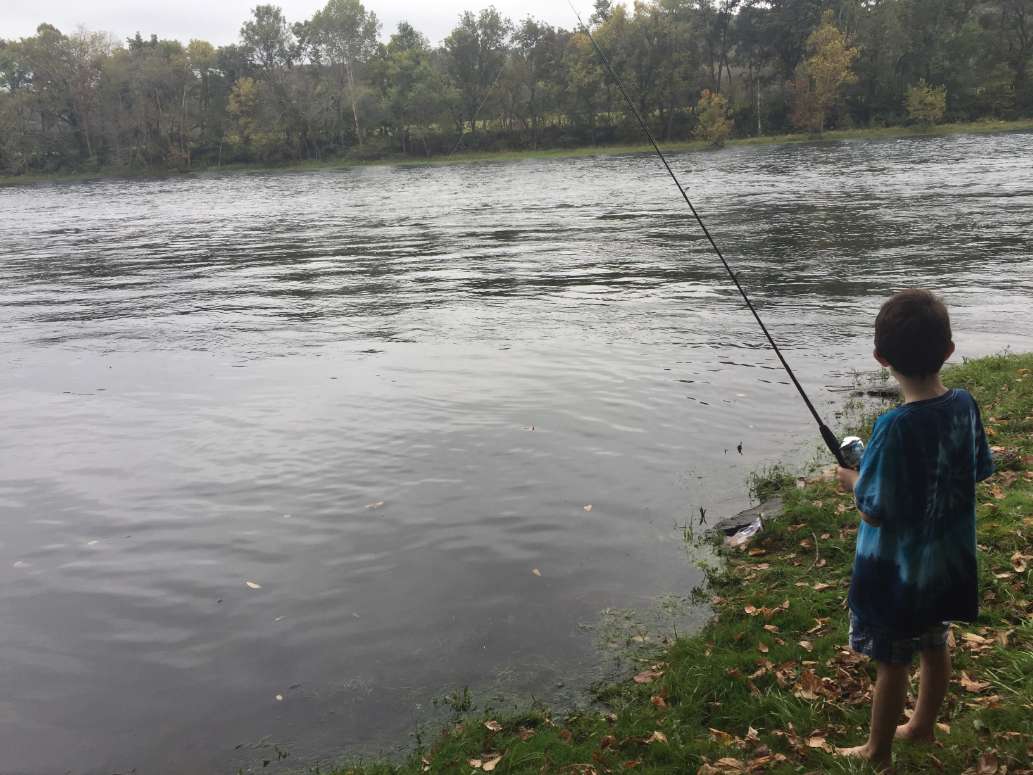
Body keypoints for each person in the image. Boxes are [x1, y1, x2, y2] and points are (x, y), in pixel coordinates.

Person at [835, 289, 994, 772]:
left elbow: (874, 509)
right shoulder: (964, 404)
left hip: (896, 574)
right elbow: (978, 468)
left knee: (891, 661)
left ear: (880, 358)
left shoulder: (893, 426)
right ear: (948, 350)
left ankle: (877, 752)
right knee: (934, 642)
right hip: (945, 565)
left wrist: (852, 478)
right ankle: (921, 726)